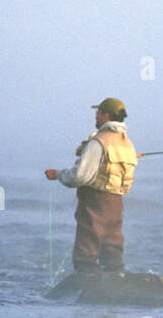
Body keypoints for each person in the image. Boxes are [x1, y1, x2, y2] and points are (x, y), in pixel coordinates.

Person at [44, 97, 137, 275]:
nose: (95, 116)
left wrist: (57, 174)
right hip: (116, 201)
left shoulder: (99, 142)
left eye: (98, 112)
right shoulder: (127, 143)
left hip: (95, 199)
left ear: (106, 115)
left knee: (88, 242)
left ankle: (88, 279)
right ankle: (116, 274)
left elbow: (80, 176)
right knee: (112, 242)